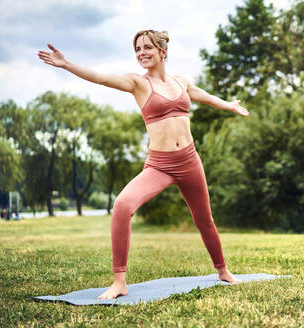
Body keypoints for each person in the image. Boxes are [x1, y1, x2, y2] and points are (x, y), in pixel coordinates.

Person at [37, 29, 249, 299]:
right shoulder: (138, 83)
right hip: (160, 165)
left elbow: (205, 96)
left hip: (189, 160)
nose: (141, 53)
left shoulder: (180, 82)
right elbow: (102, 78)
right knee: (123, 206)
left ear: (163, 52)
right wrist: (67, 64)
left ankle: (223, 271)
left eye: (147, 47)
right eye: (138, 49)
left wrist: (229, 105)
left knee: (204, 219)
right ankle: (119, 282)